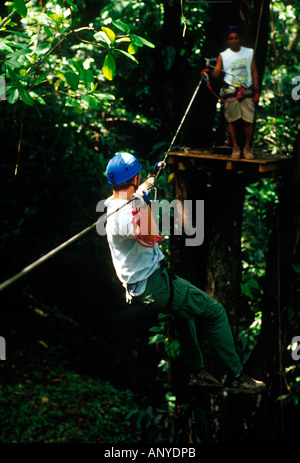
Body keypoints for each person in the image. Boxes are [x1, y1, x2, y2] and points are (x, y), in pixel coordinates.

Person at [104, 151, 266, 394]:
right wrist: (143, 204)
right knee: (216, 312)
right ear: (133, 179)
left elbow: (137, 193)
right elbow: (150, 235)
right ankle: (237, 376)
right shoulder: (123, 216)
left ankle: (196, 372)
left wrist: (151, 177)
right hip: (154, 286)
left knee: (184, 312)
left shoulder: (115, 202)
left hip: (143, 287)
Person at [209, 25, 259, 160]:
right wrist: (210, 71)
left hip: (247, 89)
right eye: (231, 39)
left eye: (236, 38)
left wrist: (256, 90)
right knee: (232, 121)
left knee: (249, 120)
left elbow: (254, 71)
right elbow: (217, 73)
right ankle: (236, 148)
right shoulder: (223, 55)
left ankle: (247, 148)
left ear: (240, 39)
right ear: (227, 41)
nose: (234, 41)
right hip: (231, 90)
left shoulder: (249, 52)